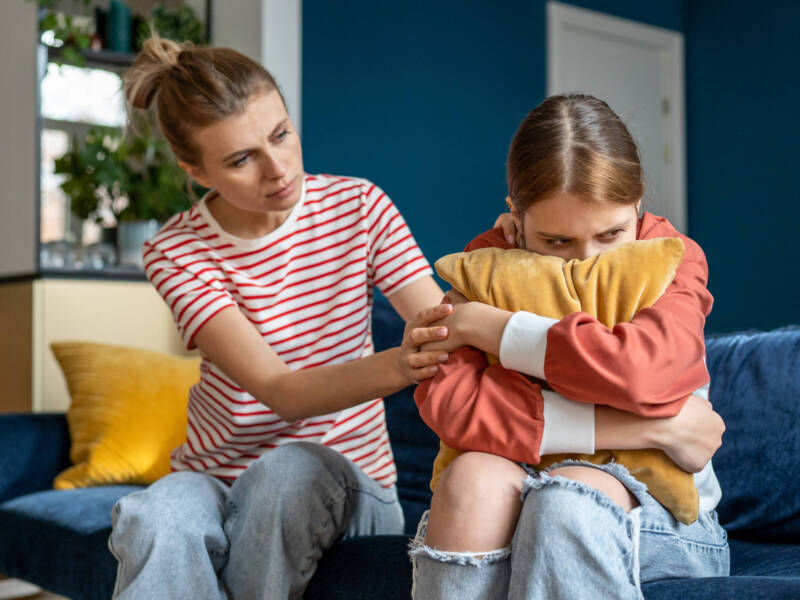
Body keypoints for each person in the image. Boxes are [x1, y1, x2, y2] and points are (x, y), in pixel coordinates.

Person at [110, 35, 723, 599]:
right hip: (219, 467)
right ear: (195, 172)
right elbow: (291, 390)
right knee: (153, 515)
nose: (278, 170)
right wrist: (415, 359)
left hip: (334, 470)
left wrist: (482, 330)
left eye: (281, 134)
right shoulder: (175, 250)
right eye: (242, 158)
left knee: (284, 477)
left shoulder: (358, 205)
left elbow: (452, 338)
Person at [409, 94, 729, 600]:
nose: (586, 260)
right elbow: (454, 404)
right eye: (557, 242)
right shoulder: (486, 261)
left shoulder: (675, 259)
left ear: (639, 202)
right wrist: (653, 425)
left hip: (661, 517)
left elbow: (641, 373)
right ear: (517, 217)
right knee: (470, 479)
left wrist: (492, 328)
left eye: (611, 234)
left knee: (566, 498)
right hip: (522, 489)